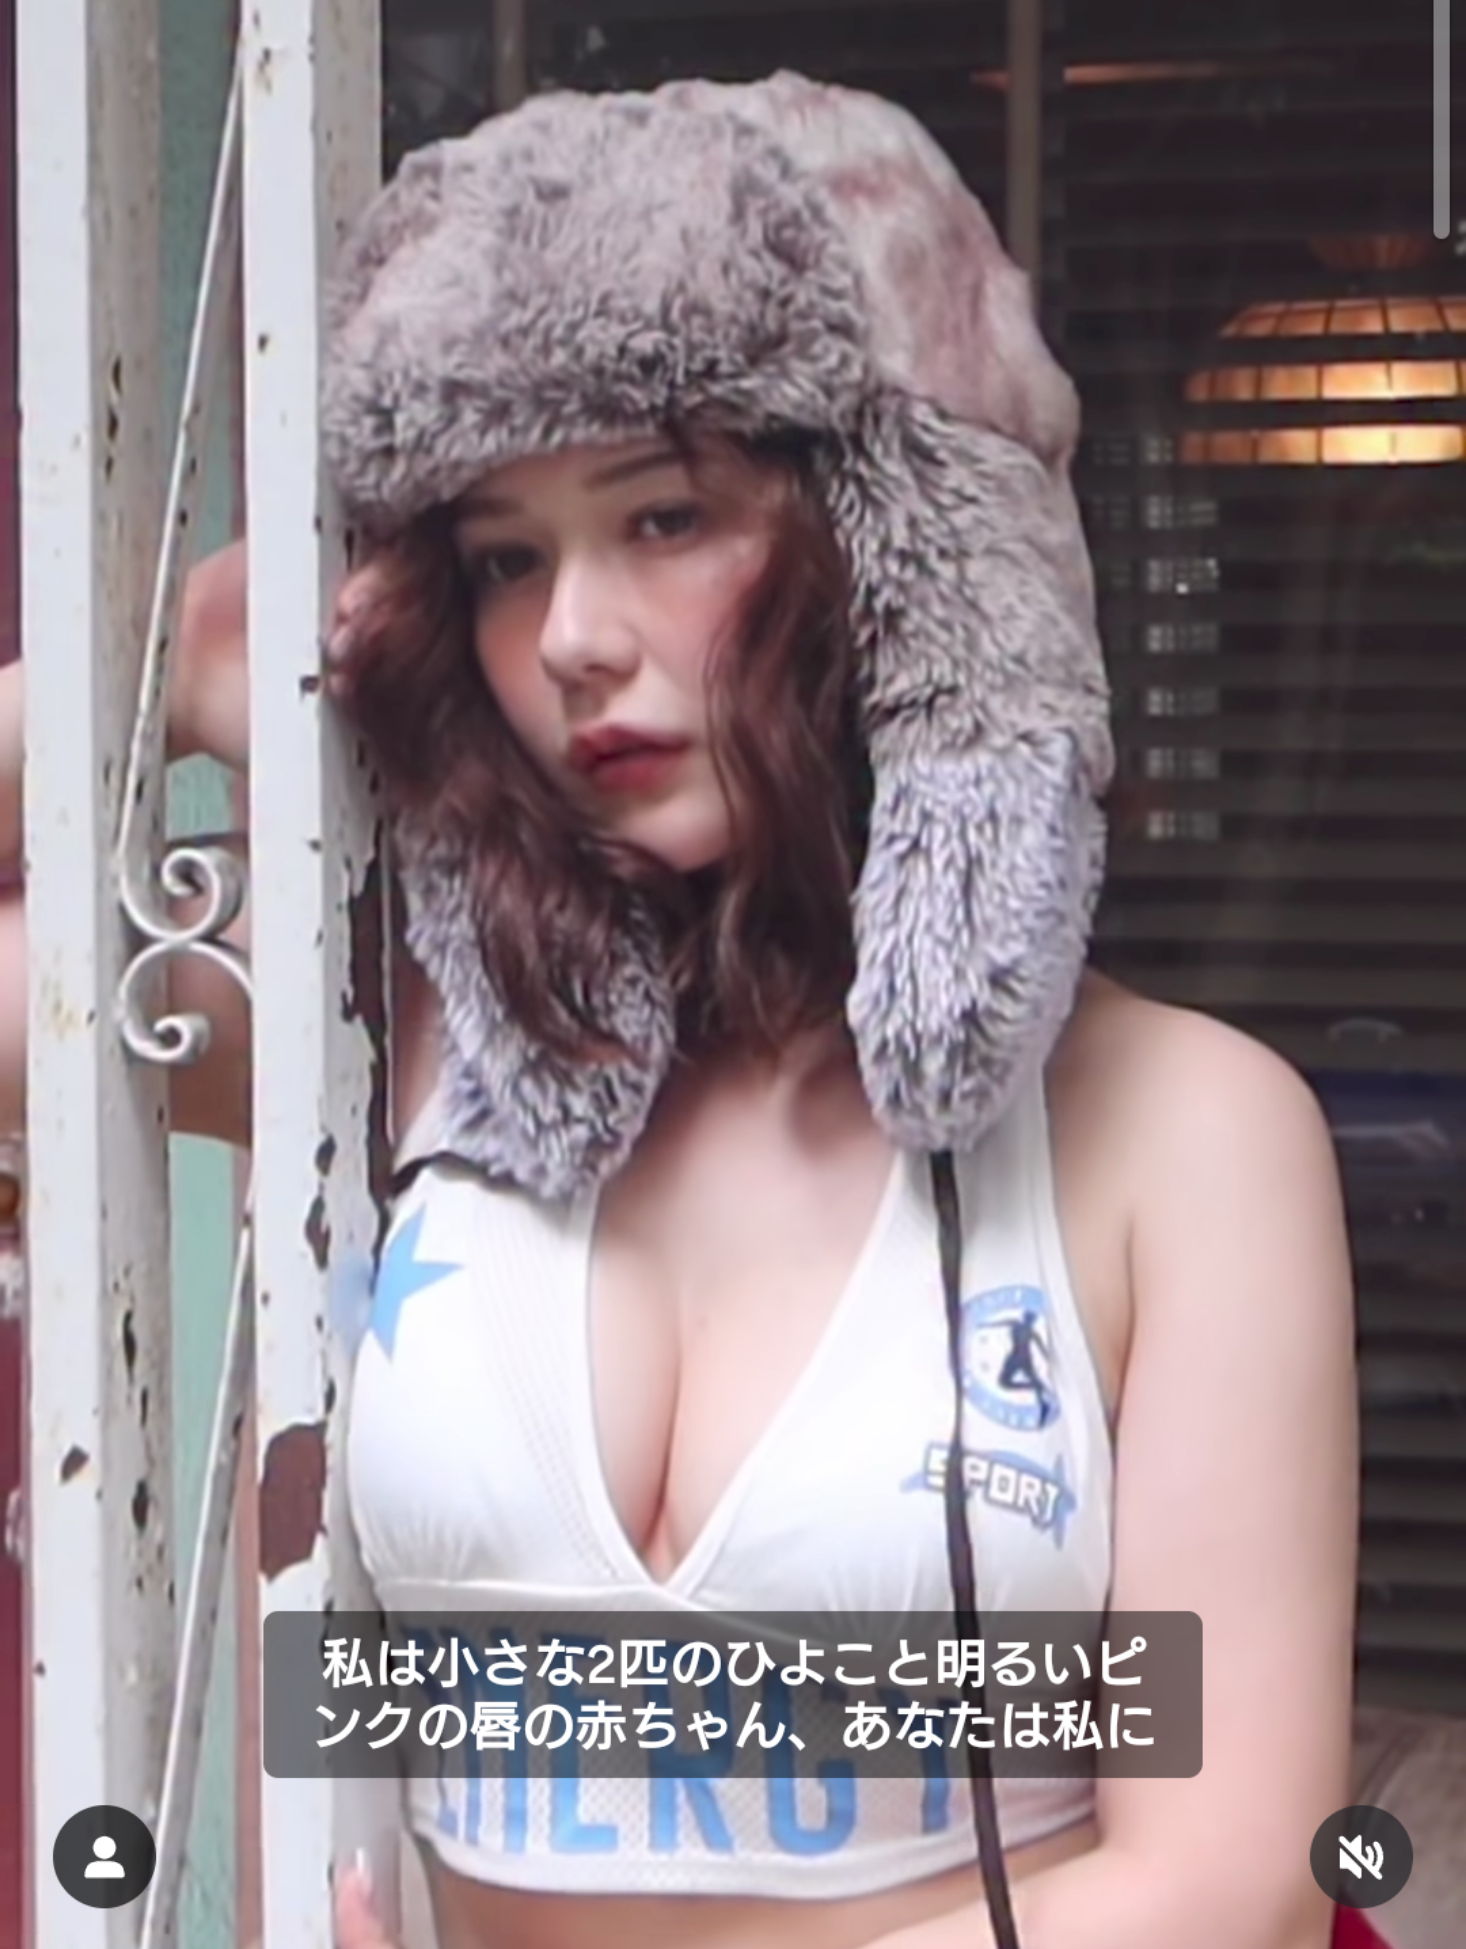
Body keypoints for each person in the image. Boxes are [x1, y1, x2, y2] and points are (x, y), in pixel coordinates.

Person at [0, 70, 1375, 1949]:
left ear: (906, 550)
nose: (572, 637)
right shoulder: (400, 1040)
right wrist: (144, 674)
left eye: (663, 517)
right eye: (504, 557)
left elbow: (1231, 1882)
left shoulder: (1179, 1129)